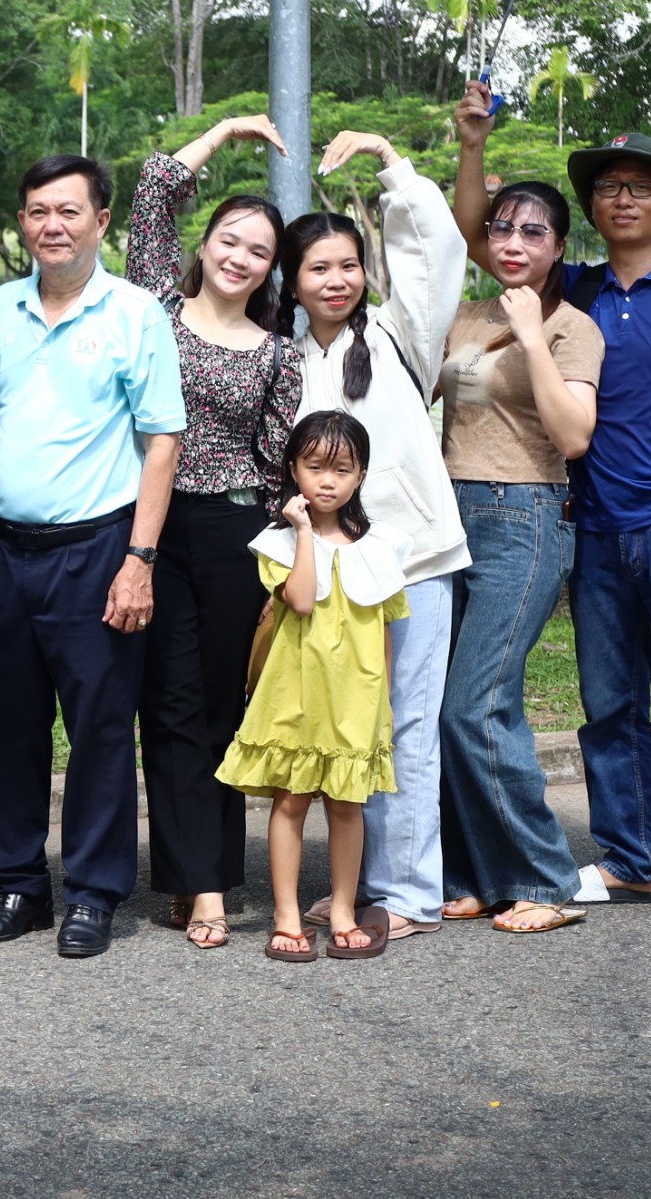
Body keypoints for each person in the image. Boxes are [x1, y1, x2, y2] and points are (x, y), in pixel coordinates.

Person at [453, 87, 651, 950]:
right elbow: (482, 232)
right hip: (594, 526)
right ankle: (631, 858)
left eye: (642, 186)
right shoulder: (577, 291)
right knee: (608, 708)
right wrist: (474, 146)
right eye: (608, 186)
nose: (622, 196)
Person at [0, 154, 184, 961]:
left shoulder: (135, 314)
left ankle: (92, 892)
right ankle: (19, 885)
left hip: (98, 548)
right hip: (2, 550)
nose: (50, 226)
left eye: (67, 211)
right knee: (8, 723)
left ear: (102, 220)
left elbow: (162, 442)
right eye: (36, 212)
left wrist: (140, 559)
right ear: (22, 223)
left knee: (99, 727)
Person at [280, 131, 468, 944]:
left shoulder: (399, 337)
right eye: (318, 267)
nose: (336, 279)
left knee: (406, 726)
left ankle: (412, 895)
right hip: (325, 577)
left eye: (348, 265)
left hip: (414, 566)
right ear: (292, 280)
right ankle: (361, 887)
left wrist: (391, 161)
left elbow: (437, 247)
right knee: (348, 732)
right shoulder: (282, 362)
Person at [122, 119, 300, 952]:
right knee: (168, 706)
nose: (240, 258)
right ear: (207, 244)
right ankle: (189, 876)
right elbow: (153, 189)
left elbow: (274, 466)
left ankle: (213, 886)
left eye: (259, 251)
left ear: (272, 271)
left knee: (223, 708)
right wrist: (226, 131)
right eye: (230, 239)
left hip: (234, 532)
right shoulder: (154, 304)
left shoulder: (277, 353)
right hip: (151, 523)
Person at [433, 177, 601, 934]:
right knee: (442, 709)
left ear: (558, 247)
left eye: (534, 232)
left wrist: (532, 334)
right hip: (448, 518)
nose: (513, 242)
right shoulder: (466, 315)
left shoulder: (572, 329)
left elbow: (572, 437)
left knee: (479, 703)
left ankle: (544, 876)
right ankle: (477, 874)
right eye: (502, 228)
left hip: (524, 517)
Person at [219, 411, 411, 962]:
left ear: (362, 475)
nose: (328, 480)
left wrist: (385, 706)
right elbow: (301, 599)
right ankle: (285, 915)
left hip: (356, 699)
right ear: (293, 470)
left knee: (348, 807)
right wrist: (303, 530)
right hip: (296, 695)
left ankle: (345, 910)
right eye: (315, 467)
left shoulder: (382, 546)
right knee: (291, 801)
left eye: (343, 469)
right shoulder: (279, 543)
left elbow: (385, 633)